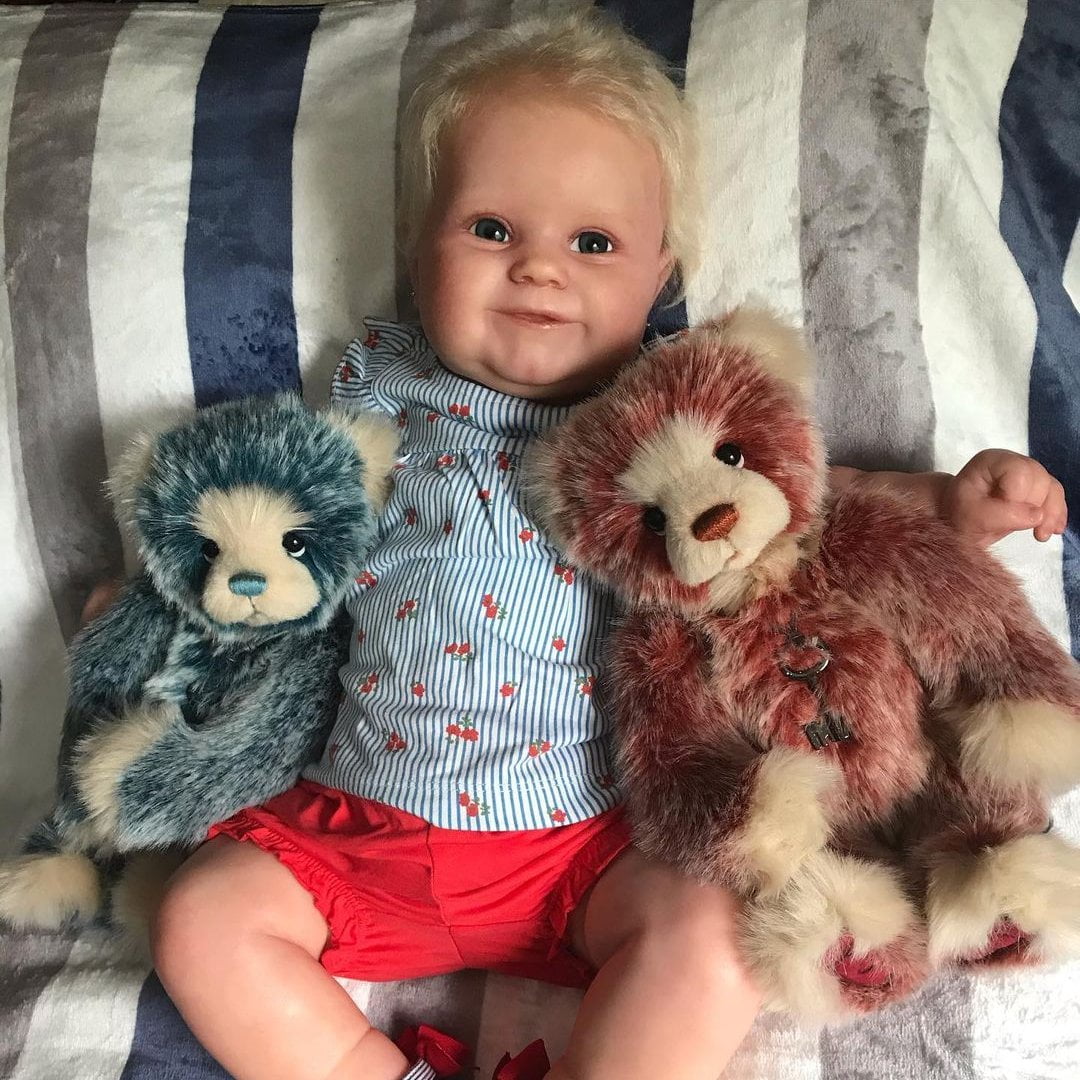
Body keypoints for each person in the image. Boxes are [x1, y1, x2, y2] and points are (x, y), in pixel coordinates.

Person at [144, 12, 1067, 1080]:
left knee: (716, 939)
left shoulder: (669, 416)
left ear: (658, 271)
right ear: (417, 244)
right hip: (359, 829)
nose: (541, 271)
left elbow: (795, 500)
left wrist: (948, 502)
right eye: (492, 229)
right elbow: (274, 533)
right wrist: (169, 597)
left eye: (593, 244)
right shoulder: (378, 398)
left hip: (588, 849)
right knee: (201, 921)